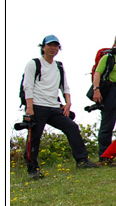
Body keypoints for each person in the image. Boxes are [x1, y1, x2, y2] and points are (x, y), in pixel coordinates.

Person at [22, 35, 98, 178]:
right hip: (38, 106)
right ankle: (33, 169)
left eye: (56, 46)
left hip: (54, 106)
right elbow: (28, 86)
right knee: (35, 137)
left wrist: (68, 103)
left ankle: (82, 160)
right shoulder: (34, 64)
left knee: (72, 128)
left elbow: (65, 86)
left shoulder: (59, 66)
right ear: (43, 47)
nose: (53, 48)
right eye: (50, 45)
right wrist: (29, 107)